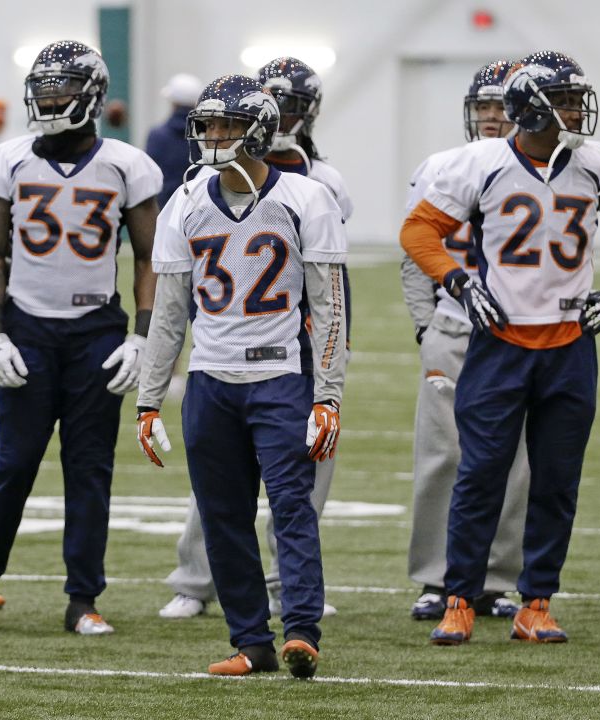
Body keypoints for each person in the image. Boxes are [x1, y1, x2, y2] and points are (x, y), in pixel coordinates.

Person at [401, 51, 600, 646]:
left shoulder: (596, 162)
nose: (574, 109)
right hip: (501, 341)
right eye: (563, 99)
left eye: (575, 98)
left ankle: (536, 600)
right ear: (529, 106)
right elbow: (418, 230)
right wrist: (458, 279)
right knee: (481, 473)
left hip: (569, 342)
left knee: (556, 480)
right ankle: (459, 598)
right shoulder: (482, 162)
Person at [136, 74, 347, 678]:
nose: (214, 136)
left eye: (227, 124)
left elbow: (330, 307)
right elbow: (169, 312)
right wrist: (148, 402)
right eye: (208, 124)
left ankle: (301, 630)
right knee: (222, 514)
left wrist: (328, 394)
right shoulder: (186, 201)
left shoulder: (305, 198)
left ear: (257, 127)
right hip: (210, 380)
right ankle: (251, 641)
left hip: (281, 376)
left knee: (291, 506)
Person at [0, 41, 161, 636]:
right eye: (43, 88)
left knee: (90, 468)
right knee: (12, 463)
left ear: (92, 94)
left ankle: (82, 598)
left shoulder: (127, 163)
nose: (49, 99)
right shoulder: (7, 160)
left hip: (97, 329)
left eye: (62, 89)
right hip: (28, 325)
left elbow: (150, 258)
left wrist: (142, 337)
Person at [397, 59, 524, 622]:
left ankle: (494, 580)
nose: (492, 117)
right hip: (453, 326)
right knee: (442, 454)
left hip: (518, 333)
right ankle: (436, 576)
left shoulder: (541, 168)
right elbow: (414, 256)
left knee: (514, 459)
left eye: (501, 106)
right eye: (483, 107)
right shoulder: (441, 166)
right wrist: (426, 327)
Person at [145, 73, 201, 208]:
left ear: (173, 102)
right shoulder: (207, 138)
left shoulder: (157, 136)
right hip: (198, 211)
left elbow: (149, 180)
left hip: (165, 210)